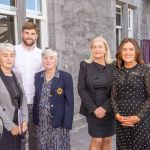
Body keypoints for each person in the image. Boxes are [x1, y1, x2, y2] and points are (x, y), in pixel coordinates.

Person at [111, 38, 150, 150]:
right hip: (121, 121)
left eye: (131, 49)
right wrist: (117, 115)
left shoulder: (145, 70)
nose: (127, 53)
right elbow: (113, 97)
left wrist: (138, 117)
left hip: (141, 120)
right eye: (124, 49)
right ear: (120, 52)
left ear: (136, 51)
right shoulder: (116, 72)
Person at [78, 36, 115, 150]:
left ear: (105, 50)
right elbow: (81, 88)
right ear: (91, 49)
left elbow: (116, 89)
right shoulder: (85, 65)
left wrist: (105, 107)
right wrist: (94, 109)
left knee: (108, 139)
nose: (97, 49)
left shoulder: (113, 66)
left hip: (109, 106)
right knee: (97, 139)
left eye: (100, 47)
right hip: (92, 108)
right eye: (94, 47)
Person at [33, 48, 74, 150]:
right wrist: (35, 119)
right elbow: (36, 98)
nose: (48, 60)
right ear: (42, 60)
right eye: (45, 58)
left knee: (58, 146)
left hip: (58, 122)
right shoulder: (38, 76)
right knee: (43, 146)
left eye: (51, 58)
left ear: (56, 60)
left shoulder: (65, 77)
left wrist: (67, 124)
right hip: (42, 122)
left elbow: (69, 102)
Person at [14, 21, 43, 150]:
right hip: (17, 102)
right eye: (27, 33)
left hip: (35, 101)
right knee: (18, 134)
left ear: (36, 36)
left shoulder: (41, 54)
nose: (29, 36)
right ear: (22, 34)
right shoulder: (13, 51)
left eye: (32, 33)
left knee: (35, 135)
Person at [0, 43, 28, 150]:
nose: (9, 58)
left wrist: (25, 120)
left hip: (19, 125)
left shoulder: (17, 75)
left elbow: (23, 99)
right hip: (4, 126)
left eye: (12, 55)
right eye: (5, 55)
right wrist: (11, 126)